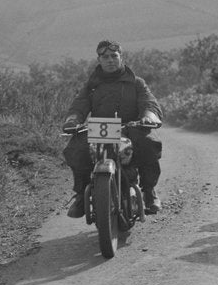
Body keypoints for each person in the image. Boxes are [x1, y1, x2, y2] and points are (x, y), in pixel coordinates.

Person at [61, 39, 164, 218]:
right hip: (99, 129)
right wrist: (72, 120)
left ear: (121, 57)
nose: (110, 60)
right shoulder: (91, 86)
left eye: (114, 56)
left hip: (131, 128)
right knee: (75, 149)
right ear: (99, 60)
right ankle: (81, 195)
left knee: (149, 143)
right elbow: (79, 106)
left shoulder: (136, 83)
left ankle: (149, 192)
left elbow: (149, 102)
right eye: (105, 57)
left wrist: (148, 116)